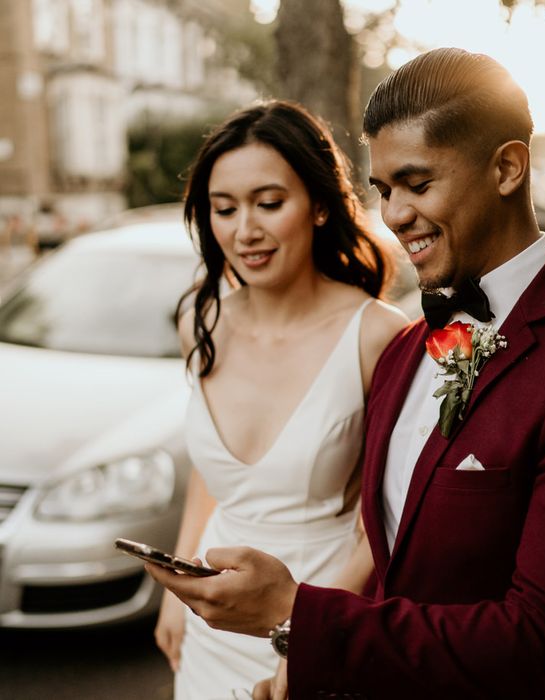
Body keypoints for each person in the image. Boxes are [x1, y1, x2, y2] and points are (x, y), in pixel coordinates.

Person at [148, 48, 545, 700]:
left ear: (508, 168)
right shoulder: (410, 350)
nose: (395, 214)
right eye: (384, 191)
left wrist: (300, 617)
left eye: (418, 183)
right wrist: (310, 661)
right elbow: (392, 553)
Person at [153, 99, 407, 699]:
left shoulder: (376, 334)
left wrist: (308, 637)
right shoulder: (202, 321)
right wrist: (176, 591)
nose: (246, 230)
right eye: (225, 208)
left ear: (320, 205)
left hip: (318, 622)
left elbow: (388, 519)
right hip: (208, 635)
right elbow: (209, 478)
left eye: (269, 203)